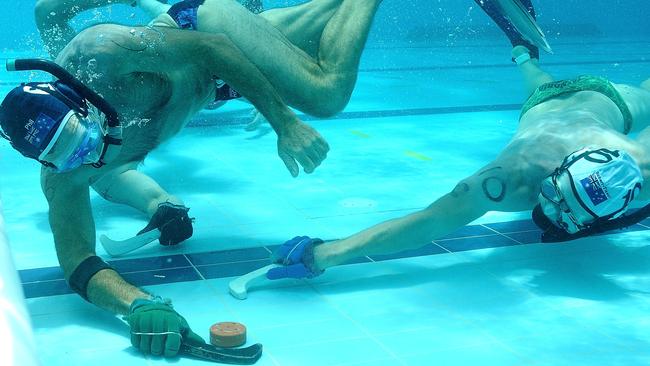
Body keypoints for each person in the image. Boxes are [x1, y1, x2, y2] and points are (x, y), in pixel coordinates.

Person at [0, 0, 383, 358]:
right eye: (70, 157)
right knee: (324, 14)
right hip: (216, 85)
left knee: (325, 95)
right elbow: (78, 264)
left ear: (79, 104)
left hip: (207, 27)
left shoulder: (103, 52)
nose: (90, 154)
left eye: (82, 138)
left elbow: (212, 47)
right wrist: (136, 303)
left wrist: (284, 123)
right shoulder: (62, 176)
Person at [265, 1, 650, 281]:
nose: (549, 210)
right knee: (538, 83)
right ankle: (522, 51)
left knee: (538, 76)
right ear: (556, 171)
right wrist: (326, 254)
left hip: (598, 105)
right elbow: (431, 221)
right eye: (553, 195)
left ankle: (522, 51)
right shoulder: (509, 179)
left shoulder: (640, 166)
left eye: (568, 216)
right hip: (576, 103)